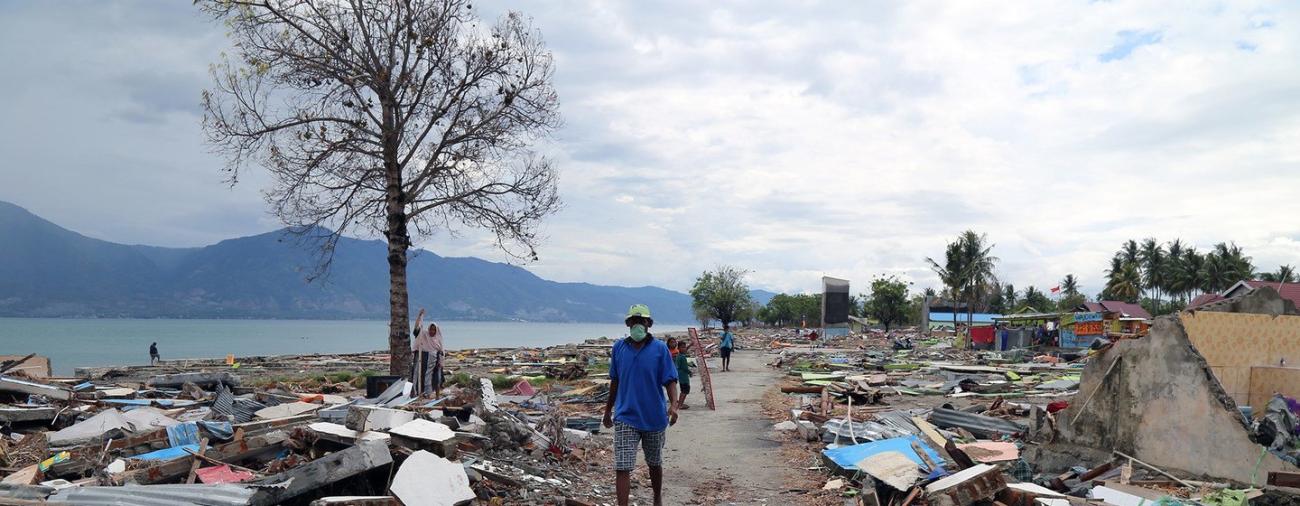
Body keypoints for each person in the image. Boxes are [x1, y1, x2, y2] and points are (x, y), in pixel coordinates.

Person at [603, 304, 678, 506]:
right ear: (628, 324)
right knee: (623, 466)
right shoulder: (619, 348)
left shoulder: (660, 349)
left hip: (654, 418)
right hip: (626, 416)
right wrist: (608, 410)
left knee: (654, 463)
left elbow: (670, 380)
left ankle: (657, 497)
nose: (638, 324)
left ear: (648, 324)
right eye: (634, 321)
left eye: (641, 321)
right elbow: (615, 381)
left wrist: (674, 405)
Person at [411, 308, 444, 397]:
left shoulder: (438, 338)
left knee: (436, 378)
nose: (432, 331)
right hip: (423, 358)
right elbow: (416, 329)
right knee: (420, 376)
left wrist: (440, 362)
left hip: (435, 361)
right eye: (430, 329)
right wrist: (419, 316)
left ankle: (436, 395)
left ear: (436, 330)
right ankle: (420, 393)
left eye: (434, 330)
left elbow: (441, 352)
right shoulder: (424, 334)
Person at [666, 337, 692, 409]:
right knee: (684, 389)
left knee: (681, 388)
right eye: (671, 342)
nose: (673, 343)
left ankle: (678, 402)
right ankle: (679, 403)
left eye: (674, 342)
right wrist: (689, 372)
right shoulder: (669, 352)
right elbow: (684, 367)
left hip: (677, 372)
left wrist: (691, 345)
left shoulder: (678, 353)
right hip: (678, 373)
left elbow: (685, 350)